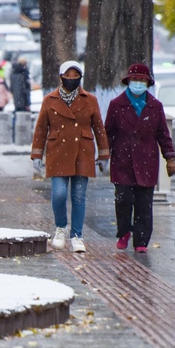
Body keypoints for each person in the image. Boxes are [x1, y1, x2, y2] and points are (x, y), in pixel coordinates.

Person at [31, 60, 110, 253]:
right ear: (61, 77)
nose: (72, 80)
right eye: (68, 77)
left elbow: (99, 128)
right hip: (58, 150)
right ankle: (60, 228)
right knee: (58, 195)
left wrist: (104, 154)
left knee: (78, 196)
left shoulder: (89, 99)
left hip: (83, 151)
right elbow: (41, 128)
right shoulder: (50, 100)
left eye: (76, 77)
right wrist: (36, 154)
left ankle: (77, 236)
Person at [104, 63, 175, 254]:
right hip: (122, 162)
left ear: (148, 83)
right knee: (123, 200)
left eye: (142, 80)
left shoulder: (155, 106)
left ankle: (141, 240)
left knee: (144, 204)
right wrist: (104, 155)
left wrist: (170, 157)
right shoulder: (116, 105)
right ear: (128, 81)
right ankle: (123, 232)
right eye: (135, 80)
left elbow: (163, 135)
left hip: (147, 162)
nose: (138, 83)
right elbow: (108, 133)